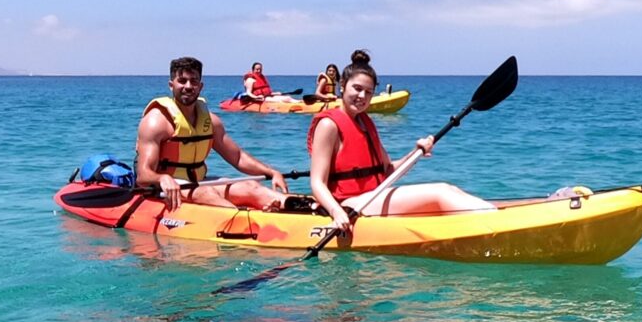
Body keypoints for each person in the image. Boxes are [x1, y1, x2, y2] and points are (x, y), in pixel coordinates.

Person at [308, 50, 495, 233]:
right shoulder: (328, 125)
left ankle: (493, 216)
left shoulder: (365, 122)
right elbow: (317, 182)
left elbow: (388, 170)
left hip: (373, 197)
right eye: (357, 89)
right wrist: (336, 212)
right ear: (342, 85)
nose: (362, 97)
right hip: (350, 204)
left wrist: (416, 153)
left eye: (368, 92)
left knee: (451, 189)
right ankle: (495, 224)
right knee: (440, 192)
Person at [136, 56, 289, 212]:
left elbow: (238, 157)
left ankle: (300, 206)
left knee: (251, 187)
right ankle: (247, 217)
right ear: (171, 85)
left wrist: (271, 172)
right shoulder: (156, 122)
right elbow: (143, 176)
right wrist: (162, 178)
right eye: (182, 81)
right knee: (205, 193)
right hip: (165, 188)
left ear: (200, 86)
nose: (188, 86)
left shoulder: (211, 122)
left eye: (194, 81)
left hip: (199, 182)